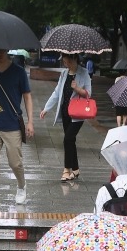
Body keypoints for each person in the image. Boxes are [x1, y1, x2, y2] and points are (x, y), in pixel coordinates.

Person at [0, 48, 34, 210]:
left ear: (7, 50)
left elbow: (27, 96)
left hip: (12, 125)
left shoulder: (18, 72)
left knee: (15, 163)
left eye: (2, 49)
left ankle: (21, 186)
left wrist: (30, 122)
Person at [40, 53, 92, 182]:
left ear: (74, 58)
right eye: (64, 62)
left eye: (67, 61)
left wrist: (78, 89)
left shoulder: (84, 73)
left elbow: (88, 94)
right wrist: (46, 108)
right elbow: (57, 92)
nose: (65, 64)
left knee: (67, 139)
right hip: (65, 112)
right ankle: (76, 169)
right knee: (71, 140)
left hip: (77, 114)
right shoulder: (64, 74)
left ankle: (66, 169)